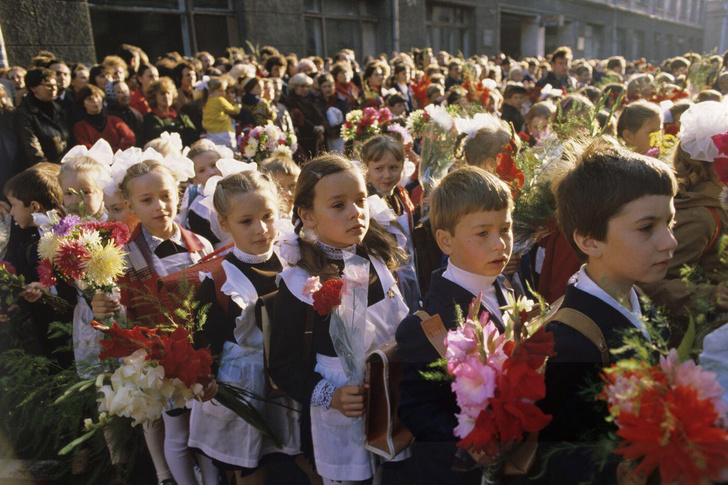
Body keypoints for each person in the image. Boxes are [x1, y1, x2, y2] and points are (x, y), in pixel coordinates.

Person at [534, 137, 678, 484]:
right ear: (589, 241)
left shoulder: (638, 298)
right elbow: (554, 458)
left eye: (670, 223)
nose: (670, 241)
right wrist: (617, 471)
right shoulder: (571, 342)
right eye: (647, 228)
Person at [268, 154, 409, 485]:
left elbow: (398, 323)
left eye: (360, 200)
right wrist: (330, 395)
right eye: (338, 205)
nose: (355, 212)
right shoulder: (298, 284)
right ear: (307, 215)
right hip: (343, 408)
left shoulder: (377, 260)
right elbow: (283, 365)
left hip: (391, 400)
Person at [92, 157, 214, 485]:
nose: (160, 206)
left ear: (178, 192)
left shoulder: (199, 244)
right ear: (130, 204)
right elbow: (126, 309)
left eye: (165, 195)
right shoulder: (127, 256)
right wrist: (107, 305)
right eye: (147, 201)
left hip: (202, 350)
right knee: (176, 430)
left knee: (206, 429)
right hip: (163, 357)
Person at [397, 165, 516, 485]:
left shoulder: (505, 286)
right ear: (445, 241)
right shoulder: (427, 325)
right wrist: (469, 440)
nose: (500, 244)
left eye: (505, 229)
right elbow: (415, 408)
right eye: (483, 233)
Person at [188, 170, 300, 484]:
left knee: (296, 454)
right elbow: (202, 337)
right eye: (246, 221)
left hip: (285, 379)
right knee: (250, 464)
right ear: (224, 224)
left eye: (268, 216)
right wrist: (203, 377)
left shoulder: (290, 260)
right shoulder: (219, 280)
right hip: (245, 384)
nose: (261, 229)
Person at [641, 101, 728, 337]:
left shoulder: (716, 203)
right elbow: (652, 281)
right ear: (707, 167)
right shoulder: (701, 218)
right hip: (696, 334)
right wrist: (712, 294)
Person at [361, 135, 420, 311]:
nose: (387, 175)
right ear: (366, 169)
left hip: (409, 272)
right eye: (379, 168)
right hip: (387, 281)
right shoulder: (366, 201)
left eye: (394, 167)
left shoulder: (401, 195)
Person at [14, 68, 71, 167]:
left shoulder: (58, 108)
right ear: (33, 88)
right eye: (48, 86)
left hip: (63, 166)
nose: (53, 88)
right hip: (41, 170)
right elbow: (32, 149)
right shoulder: (25, 113)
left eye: (55, 85)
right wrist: (49, 171)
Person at [72, 85, 136, 151]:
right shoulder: (80, 127)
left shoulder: (115, 121)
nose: (95, 101)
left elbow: (130, 138)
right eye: (89, 98)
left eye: (97, 96)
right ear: (83, 103)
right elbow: (86, 147)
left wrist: (115, 152)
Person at [143, 77, 199, 148]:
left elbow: (194, 135)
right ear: (154, 97)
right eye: (162, 94)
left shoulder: (182, 116)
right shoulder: (150, 118)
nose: (166, 96)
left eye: (168, 93)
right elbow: (158, 137)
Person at [282, 73, 325, 162]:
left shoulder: (311, 99)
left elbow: (320, 115)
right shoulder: (290, 101)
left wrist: (322, 126)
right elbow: (299, 119)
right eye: (302, 87)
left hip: (316, 138)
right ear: (294, 87)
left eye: (307, 86)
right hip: (303, 139)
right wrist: (313, 128)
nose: (305, 89)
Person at [201, 76, 240, 150]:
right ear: (212, 90)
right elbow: (234, 110)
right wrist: (236, 105)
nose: (224, 93)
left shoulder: (207, 100)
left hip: (210, 133)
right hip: (224, 132)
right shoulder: (219, 100)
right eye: (221, 90)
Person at [313, 73, 347, 154]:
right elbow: (320, 118)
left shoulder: (342, 101)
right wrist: (327, 130)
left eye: (329, 86)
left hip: (340, 136)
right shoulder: (316, 101)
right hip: (326, 137)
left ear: (334, 86)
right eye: (324, 87)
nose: (327, 89)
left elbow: (346, 117)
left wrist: (336, 130)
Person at [105, 80, 144, 145]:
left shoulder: (135, 114)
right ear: (111, 94)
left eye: (126, 91)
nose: (125, 95)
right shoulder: (105, 115)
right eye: (120, 92)